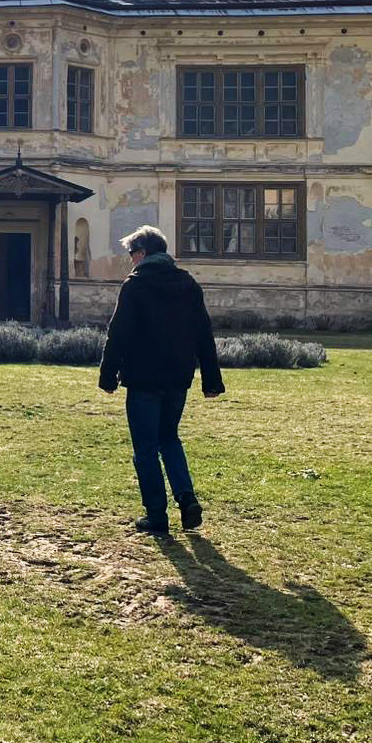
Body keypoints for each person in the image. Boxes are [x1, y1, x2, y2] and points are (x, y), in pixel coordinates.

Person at [98, 224, 224, 536]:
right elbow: (203, 334)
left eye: (131, 254)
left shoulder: (135, 285)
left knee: (145, 448)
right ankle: (186, 497)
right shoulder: (187, 284)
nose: (130, 260)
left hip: (143, 378)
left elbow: (119, 334)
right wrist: (211, 380)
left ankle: (156, 515)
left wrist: (107, 375)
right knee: (169, 438)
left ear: (142, 253)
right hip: (178, 377)